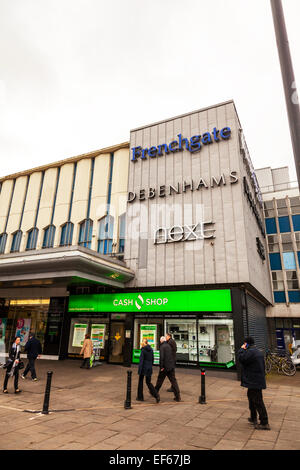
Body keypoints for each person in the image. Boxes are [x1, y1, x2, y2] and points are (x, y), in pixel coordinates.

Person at [238, 336, 270, 430]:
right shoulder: (256, 351)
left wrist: (241, 349)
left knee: (258, 401)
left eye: (245, 343)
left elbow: (241, 359)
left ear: (246, 343)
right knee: (251, 398)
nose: (244, 345)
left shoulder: (250, 352)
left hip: (254, 381)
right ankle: (253, 417)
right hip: (256, 380)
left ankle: (264, 422)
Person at [155, 336, 181, 402]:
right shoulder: (169, 346)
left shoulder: (162, 347)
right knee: (173, 381)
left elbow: (162, 358)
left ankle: (154, 393)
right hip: (171, 366)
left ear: (161, 341)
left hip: (165, 367)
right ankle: (178, 396)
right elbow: (172, 355)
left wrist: (161, 367)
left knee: (159, 381)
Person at [137, 339, 160, 403]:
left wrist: (139, 370)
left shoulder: (143, 350)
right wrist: (150, 366)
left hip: (143, 368)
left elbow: (141, 361)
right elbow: (152, 359)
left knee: (140, 382)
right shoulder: (151, 350)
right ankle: (156, 395)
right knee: (148, 382)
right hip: (149, 368)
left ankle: (140, 397)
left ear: (144, 343)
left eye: (142, 342)